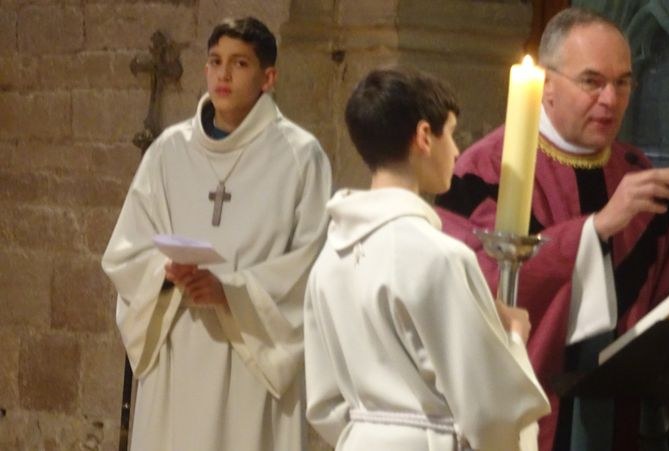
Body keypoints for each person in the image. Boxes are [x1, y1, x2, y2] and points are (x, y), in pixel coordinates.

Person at [435, 7, 669, 451]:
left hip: (632, 419)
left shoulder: (634, 170)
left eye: (623, 83)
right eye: (592, 82)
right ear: (548, 86)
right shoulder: (486, 170)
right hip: (534, 416)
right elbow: (472, 290)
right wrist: (594, 230)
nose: (610, 100)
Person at [102, 17, 331, 451]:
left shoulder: (300, 157)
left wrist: (231, 292)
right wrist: (166, 275)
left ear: (268, 78)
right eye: (215, 61)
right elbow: (125, 253)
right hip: (177, 344)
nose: (223, 74)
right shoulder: (169, 151)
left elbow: (311, 266)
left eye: (239, 63)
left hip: (252, 358)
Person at [304, 68, 551, 451]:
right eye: (450, 134)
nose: (455, 151)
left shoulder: (329, 259)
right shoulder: (441, 256)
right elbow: (490, 412)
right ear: (423, 136)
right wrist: (514, 338)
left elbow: (324, 403)